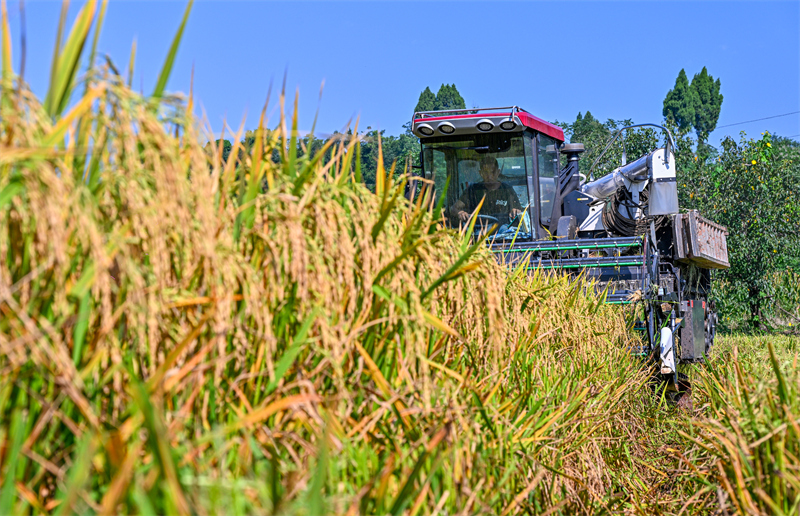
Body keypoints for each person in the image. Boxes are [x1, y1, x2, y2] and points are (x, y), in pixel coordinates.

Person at [451, 156, 523, 224]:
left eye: (492, 172)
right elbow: (454, 209)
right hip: (477, 229)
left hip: (502, 230)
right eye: (486, 172)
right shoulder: (472, 189)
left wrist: (515, 211)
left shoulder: (507, 190)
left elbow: (519, 211)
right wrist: (460, 213)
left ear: (498, 172)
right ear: (480, 173)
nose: (489, 176)